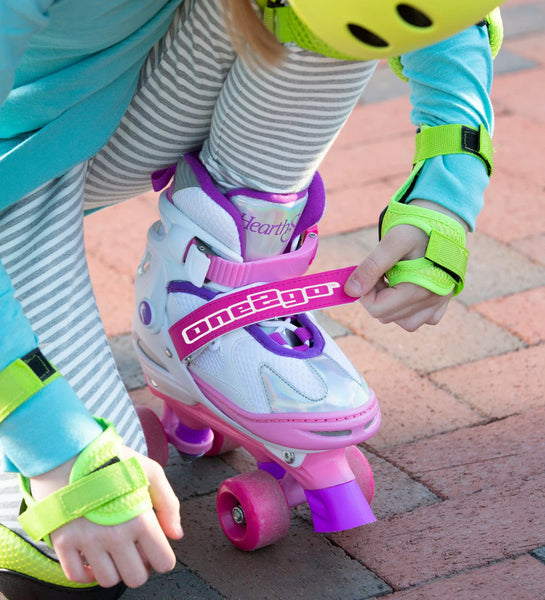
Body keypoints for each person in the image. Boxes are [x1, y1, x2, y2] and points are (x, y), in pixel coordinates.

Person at [0, 0, 502, 597]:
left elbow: (444, 15)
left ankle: (203, 294)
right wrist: (52, 445)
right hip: (17, 165)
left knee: (315, 12)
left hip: (127, 94)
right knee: (72, 554)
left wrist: (444, 197)